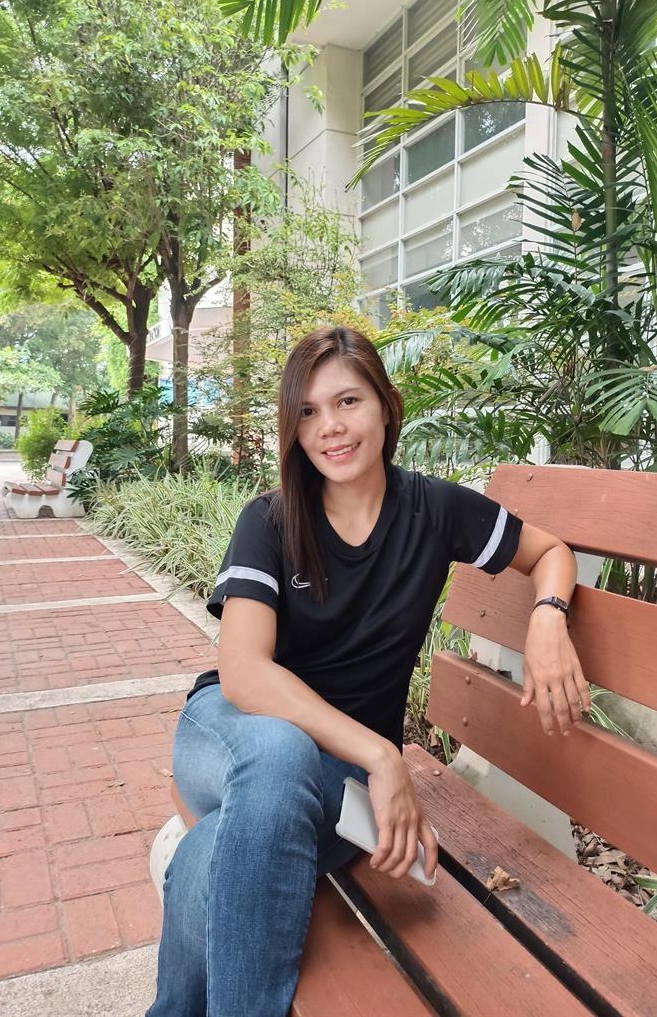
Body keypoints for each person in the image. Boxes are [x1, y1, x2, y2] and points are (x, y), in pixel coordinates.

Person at [146, 326, 590, 1017]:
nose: (330, 426)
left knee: (216, 850)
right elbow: (244, 673)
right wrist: (383, 757)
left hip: (332, 782)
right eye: (308, 411)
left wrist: (548, 617)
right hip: (231, 733)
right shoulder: (270, 520)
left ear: (386, 405)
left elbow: (550, 552)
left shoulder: (435, 511)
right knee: (279, 752)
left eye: (347, 401)